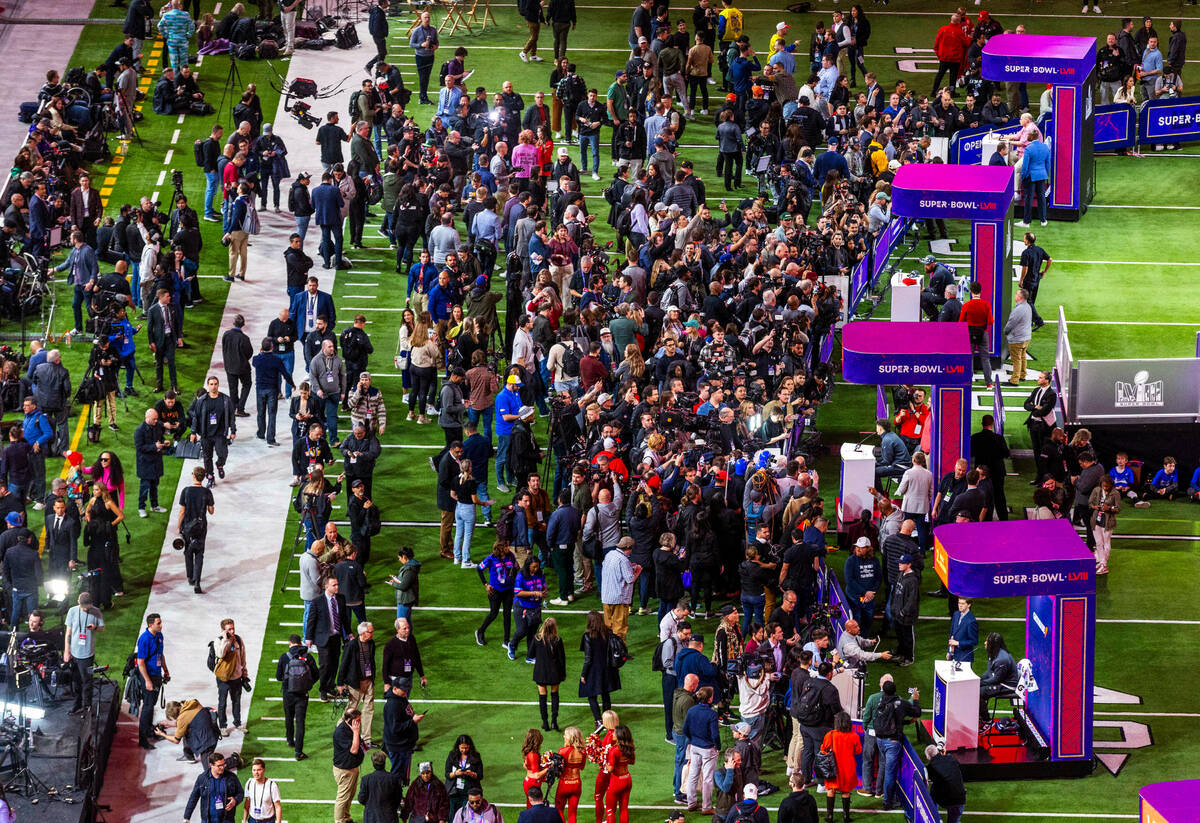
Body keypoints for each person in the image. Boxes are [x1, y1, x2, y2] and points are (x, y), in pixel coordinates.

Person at [872, 679, 921, 812]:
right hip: (892, 741)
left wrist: (905, 723)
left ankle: (883, 793)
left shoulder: (880, 701)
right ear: (895, 691)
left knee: (885, 766)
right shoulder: (900, 703)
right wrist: (915, 699)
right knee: (889, 772)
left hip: (880, 739)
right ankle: (887, 802)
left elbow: (888, 720)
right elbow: (917, 712)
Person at [188, 375, 237, 487]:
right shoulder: (202, 401)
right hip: (206, 434)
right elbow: (196, 417)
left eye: (215, 384)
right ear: (208, 385)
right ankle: (210, 477)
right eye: (211, 384)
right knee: (207, 457)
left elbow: (231, 416)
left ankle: (220, 465)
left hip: (220, 433)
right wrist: (193, 432)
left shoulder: (225, 399)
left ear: (218, 385)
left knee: (223, 453)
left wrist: (233, 430)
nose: (213, 386)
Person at [276, 633, 318, 760]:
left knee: (289, 717)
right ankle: (298, 752)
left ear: (290, 643)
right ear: (300, 643)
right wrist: (307, 685)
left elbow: (278, 676)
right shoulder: (308, 657)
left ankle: (290, 740)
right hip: (302, 694)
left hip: (288, 693)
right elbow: (317, 674)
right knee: (300, 722)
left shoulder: (284, 657)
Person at [308, 576, 351, 699]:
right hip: (322, 638)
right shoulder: (317, 601)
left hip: (336, 637)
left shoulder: (341, 599)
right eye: (334, 585)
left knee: (334, 664)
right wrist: (309, 638)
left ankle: (330, 686)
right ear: (326, 587)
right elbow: (312, 620)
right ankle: (323, 689)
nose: (337, 587)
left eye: (337, 584)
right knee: (325, 664)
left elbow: (344, 619)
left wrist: (348, 632)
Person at [63, 592, 104, 716]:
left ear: (91, 604)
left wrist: (95, 628)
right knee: (76, 681)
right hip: (74, 653)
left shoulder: (96, 612)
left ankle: (87, 707)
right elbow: (68, 633)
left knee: (88, 682)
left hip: (88, 654)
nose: (85, 609)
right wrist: (67, 651)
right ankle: (77, 705)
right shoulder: (72, 611)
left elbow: (102, 628)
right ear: (78, 602)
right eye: (83, 607)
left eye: (87, 607)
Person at [339, 621, 379, 746]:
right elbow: (343, 664)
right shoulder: (351, 645)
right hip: (355, 683)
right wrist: (340, 683)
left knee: (369, 709)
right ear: (362, 633)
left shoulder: (371, 644)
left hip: (368, 681)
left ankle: (366, 740)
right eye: (370, 632)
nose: (372, 634)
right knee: (350, 710)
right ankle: (339, 732)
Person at [177, 466, 215, 593]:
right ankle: (197, 582)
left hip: (187, 526)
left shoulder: (186, 491)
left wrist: (178, 527)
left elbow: (182, 511)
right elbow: (211, 511)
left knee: (188, 552)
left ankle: (190, 577)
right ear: (203, 477)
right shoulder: (207, 492)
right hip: (201, 526)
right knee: (199, 553)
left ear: (193, 476)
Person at [820, 711, 861, 823]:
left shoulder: (830, 735)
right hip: (848, 768)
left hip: (832, 768)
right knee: (846, 791)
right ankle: (846, 817)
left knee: (831, 789)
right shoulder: (854, 736)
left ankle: (829, 816)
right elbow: (858, 751)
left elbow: (823, 749)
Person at [135, 613, 169, 750]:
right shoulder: (144, 639)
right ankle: (142, 739)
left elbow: (161, 655)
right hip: (147, 676)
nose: (161, 625)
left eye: (160, 622)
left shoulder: (159, 636)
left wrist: (166, 671)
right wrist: (147, 681)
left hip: (156, 675)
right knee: (148, 707)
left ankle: (150, 731)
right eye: (158, 623)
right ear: (150, 625)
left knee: (151, 705)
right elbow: (140, 662)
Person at [579, 611, 620, 724]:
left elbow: (588, 658)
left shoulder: (588, 636)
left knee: (591, 696)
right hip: (608, 669)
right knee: (605, 694)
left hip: (594, 670)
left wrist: (583, 674)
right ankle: (608, 720)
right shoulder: (608, 633)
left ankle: (598, 721)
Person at [683, 685, 719, 813]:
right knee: (707, 778)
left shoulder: (692, 710)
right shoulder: (712, 714)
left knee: (693, 775)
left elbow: (684, 729)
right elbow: (715, 734)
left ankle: (691, 803)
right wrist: (718, 747)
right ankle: (706, 807)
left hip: (694, 746)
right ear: (709, 699)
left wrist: (692, 739)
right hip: (708, 748)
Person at [476, 541, 518, 647]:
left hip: (508, 590)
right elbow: (479, 568)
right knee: (493, 614)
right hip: (495, 591)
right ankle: (480, 632)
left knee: (507, 615)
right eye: (507, 546)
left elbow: (515, 568)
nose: (509, 547)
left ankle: (506, 641)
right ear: (501, 549)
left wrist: (513, 582)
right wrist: (486, 584)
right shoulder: (491, 558)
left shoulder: (511, 556)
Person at [183, 753, 244, 823]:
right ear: (211, 765)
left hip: (227, 819)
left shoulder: (231, 777)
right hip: (208, 820)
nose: (222, 767)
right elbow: (193, 798)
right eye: (219, 766)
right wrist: (186, 817)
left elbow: (240, 793)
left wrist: (235, 800)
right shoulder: (202, 778)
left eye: (223, 764)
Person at [600, 536, 640, 640]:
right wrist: (637, 571)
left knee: (608, 627)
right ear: (629, 548)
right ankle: (619, 653)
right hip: (619, 599)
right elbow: (630, 579)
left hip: (606, 596)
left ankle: (609, 650)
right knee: (619, 628)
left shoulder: (609, 554)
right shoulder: (624, 560)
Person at [212, 617, 248, 734]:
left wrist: (244, 673)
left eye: (233, 628)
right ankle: (223, 726)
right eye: (229, 629)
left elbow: (242, 657)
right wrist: (225, 639)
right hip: (223, 678)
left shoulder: (238, 640)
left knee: (236, 701)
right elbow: (221, 654)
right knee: (222, 703)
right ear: (223, 630)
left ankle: (237, 723)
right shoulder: (218, 641)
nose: (232, 631)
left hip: (236, 677)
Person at [531, 616, 567, 730]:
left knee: (542, 697)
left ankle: (545, 722)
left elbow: (530, 654)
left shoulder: (537, 638)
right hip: (554, 673)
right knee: (555, 695)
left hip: (540, 672)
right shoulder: (557, 640)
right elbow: (562, 659)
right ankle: (554, 722)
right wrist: (563, 674)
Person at [133, 408, 170, 517]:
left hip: (156, 461)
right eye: (154, 419)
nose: (156, 421)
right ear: (147, 418)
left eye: (156, 419)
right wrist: (154, 446)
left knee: (155, 485)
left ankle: (154, 505)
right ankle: (141, 507)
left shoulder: (158, 425)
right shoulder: (139, 431)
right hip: (145, 464)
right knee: (144, 487)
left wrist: (164, 442)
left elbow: (160, 437)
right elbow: (140, 447)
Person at [333, 708, 367, 823]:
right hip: (344, 770)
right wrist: (357, 732)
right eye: (357, 720)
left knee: (350, 795)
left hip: (352, 768)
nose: (359, 723)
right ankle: (339, 821)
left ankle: (345, 818)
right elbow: (353, 750)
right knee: (342, 798)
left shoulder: (350, 727)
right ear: (348, 720)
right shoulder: (341, 732)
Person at [978, 632, 1018, 726]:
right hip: (1000, 681)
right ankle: (980, 716)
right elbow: (988, 672)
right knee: (976, 688)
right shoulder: (993, 654)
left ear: (992, 644)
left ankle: (986, 721)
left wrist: (981, 683)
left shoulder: (1002, 659)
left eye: (987, 641)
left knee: (978, 693)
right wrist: (978, 679)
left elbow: (997, 679)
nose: (984, 643)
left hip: (1007, 686)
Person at [886, 553, 919, 666]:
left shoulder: (913, 580)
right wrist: (894, 607)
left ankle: (909, 658)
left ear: (909, 565)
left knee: (907, 637)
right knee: (900, 635)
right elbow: (895, 592)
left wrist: (903, 611)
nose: (899, 565)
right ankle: (901, 653)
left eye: (902, 563)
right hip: (897, 612)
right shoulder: (900, 574)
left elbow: (912, 599)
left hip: (906, 615)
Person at [361, 749, 407, 823]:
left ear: (373, 763)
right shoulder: (394, 779)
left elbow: (361, 799)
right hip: (389, 816)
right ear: (384, 763)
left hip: (371, 817)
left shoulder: (365, 779)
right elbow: (398, 798)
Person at [924, 744, 966, 823]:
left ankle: (932, 813)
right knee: (954, 821)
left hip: (947, 800)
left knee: (933, 789)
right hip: (960, 799)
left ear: (928, 758)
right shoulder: (951, 758)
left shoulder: (931, 767)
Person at [1017, 128, 1050, 227]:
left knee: (1029, 199)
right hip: (1042, 175)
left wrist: (1023, 176)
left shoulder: (1029, 149)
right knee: (1041, 198)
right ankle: (1043, 220)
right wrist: (1045, 173)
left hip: (1030, 177)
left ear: (1030, 137)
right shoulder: (1045, 147)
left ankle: (1026, 222)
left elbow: (1025, 166)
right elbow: (1047, 163)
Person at [445, 735, 484, 817]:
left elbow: (480, 775)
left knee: (465, 815)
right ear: (458, 746)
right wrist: (456, 773)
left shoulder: (476, 756)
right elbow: (447, 774)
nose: (464, 750)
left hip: (469, 791)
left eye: (466, 748)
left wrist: (472, 774)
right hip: (454, 792)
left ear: (470, 746)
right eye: (462, 748)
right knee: (452, 816)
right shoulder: (452, 755)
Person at [603, 725, 634, 823]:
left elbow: (610, 769)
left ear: (619, 736)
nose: (612, 734)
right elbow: (632, 762)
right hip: (627, 779)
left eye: (614, 733)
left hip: (616, 781)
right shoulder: (630, 748)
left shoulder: (614, 750)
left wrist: (605, 763)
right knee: (624, 809)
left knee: (610, 810)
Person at [555, 726, 587, 823]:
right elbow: (582, 767)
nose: (564, 736)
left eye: (565, 735)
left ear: (570, 737)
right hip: (576, 784)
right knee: (573, 813)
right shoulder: (583, 752)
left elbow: (558, 768)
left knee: (559, 810)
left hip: (564, 785)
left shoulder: (563, 751)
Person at [1090, 475, 1121, 575]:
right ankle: (1102, 563)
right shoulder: (1096, 490)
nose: (1105, 488)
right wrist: (1095, 506)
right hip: (1096, 520)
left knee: (1106, 543)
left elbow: (1118, 509)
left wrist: (1110, 508)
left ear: (1111, 485)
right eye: (1103, 486)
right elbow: (1090, 502)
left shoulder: (1115, 493)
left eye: (1107, 486)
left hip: (1108, 521)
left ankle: (1104, 565)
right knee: (1099, 543)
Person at [948, 597, 978, 663]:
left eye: (963, 603)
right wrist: (949, 651)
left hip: (964, 657)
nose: (960, 605)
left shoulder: (971, 621)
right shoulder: (956, 614)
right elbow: (951, 633)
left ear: (969, 605)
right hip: (953, 654)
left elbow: (974, 641)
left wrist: (958, 643)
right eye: (959, 603)